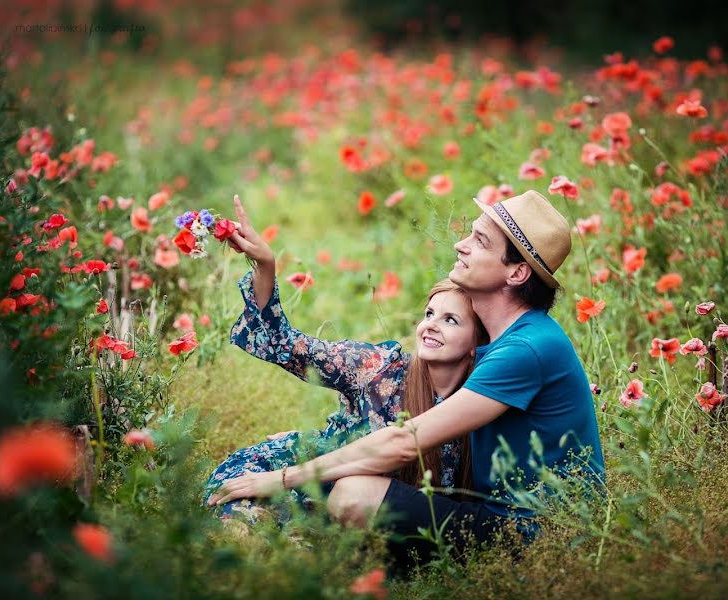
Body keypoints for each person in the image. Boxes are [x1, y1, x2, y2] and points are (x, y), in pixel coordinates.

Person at [208, 189, 605, 565]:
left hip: (534, 535)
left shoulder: (526, 349)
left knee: (355, 496)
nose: (461, 245)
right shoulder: (496, 348)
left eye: (481, 241)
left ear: (517, 273)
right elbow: (285, 345)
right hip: (502, 520)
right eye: (431, 314)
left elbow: (403, 442)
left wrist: (283, 478)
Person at [204, 195, 488, 524]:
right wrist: (266, 264)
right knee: (235, 526)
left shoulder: (475, 405)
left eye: (450, 320)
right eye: (428, 313)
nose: (430, 325)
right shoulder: (380, 366)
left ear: (475, 345)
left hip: (348, 517)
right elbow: (285, 344)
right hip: (282, 478)